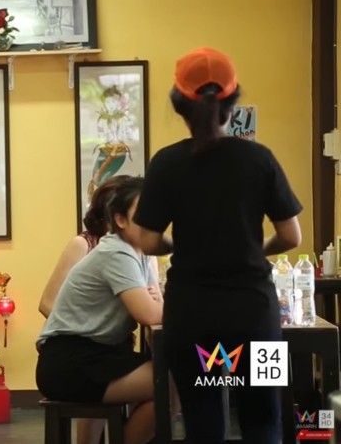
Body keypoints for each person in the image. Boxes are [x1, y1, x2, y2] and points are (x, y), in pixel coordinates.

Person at [133, 48, 302, 443]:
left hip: (192, 316)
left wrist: (185, 245)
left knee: (202, 420)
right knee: (264, 419)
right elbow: (291, 236)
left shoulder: (166, 163)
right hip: (254, 313)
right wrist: (250, 249)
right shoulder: (259, 159)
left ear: (179, 105)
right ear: (232, 103)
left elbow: (148, 240)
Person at [35, 177, 170, 444]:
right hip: (73, 361)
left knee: (175, 376)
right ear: (120, 220)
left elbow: (156, 306)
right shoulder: (116, 253)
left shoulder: (139, 252)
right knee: (173, 379)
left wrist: (157, 303)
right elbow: (150, 314)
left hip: (99, 353)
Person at [38, 175, 137, 318]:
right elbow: (47, 303)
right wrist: (79, 329)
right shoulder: (83, 244)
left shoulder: (137, 247)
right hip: (79, 331)